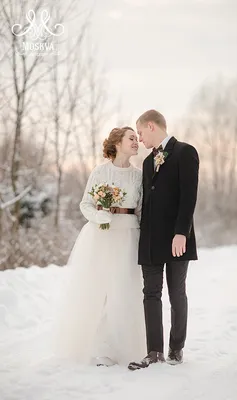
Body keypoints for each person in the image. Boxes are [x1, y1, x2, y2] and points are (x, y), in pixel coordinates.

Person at [53, 126, 146, 366]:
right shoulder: (100, 172)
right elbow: (86, 204)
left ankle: (126, 348)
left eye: (137, 138)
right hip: (102, 236)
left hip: (129, 236)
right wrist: (99, 217)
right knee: (102, 291)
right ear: (117, 143)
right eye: (131, 138)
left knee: (125, 291)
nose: (136, 142)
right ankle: (103, 349)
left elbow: (142, 209)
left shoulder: (139, 175)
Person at [128, 110, 199, 370]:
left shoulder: (185, 151)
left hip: (177, 238)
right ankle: (154, 351)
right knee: (150, 294)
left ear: (151, 126)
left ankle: (176, 347)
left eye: (140, 133)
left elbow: (189, 196)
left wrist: (182, 232)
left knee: (176, 292)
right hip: (151, 240)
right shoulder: (147, 163)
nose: (140, 139)